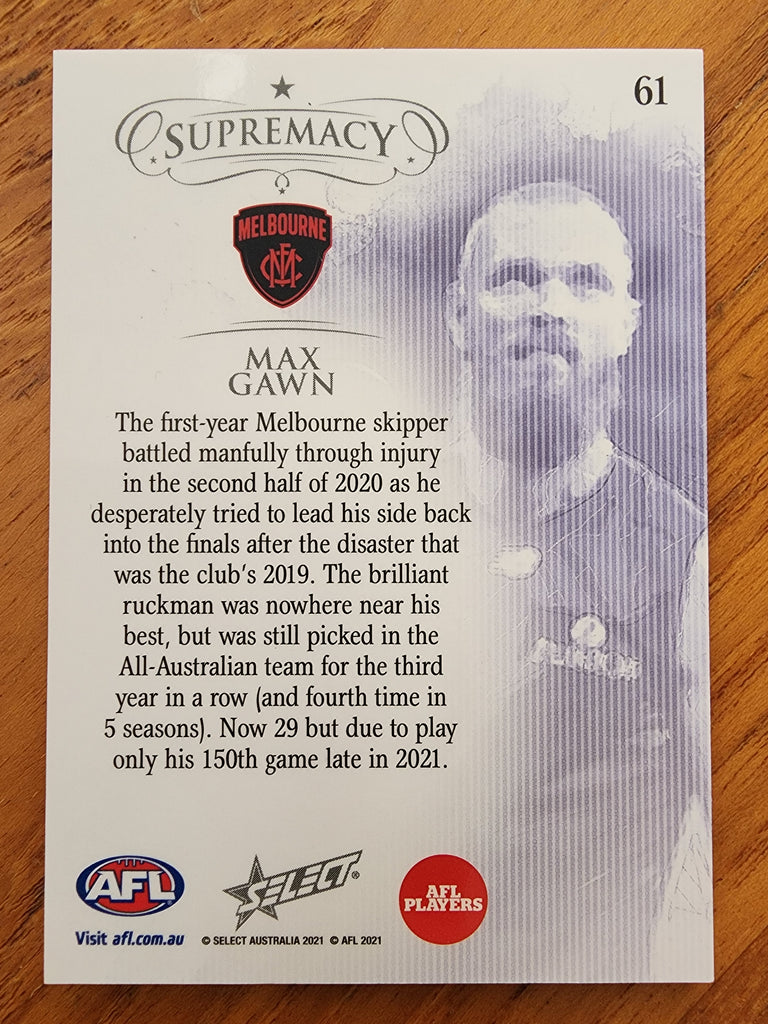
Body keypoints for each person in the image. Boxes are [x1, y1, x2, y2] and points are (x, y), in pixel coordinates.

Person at [445, 182, 711, 980]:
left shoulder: (688, 556)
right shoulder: (365, 520)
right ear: (458, 314)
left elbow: (719, 841)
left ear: (628, 323)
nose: (549, 306)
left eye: (586, 282)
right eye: (515, 278)